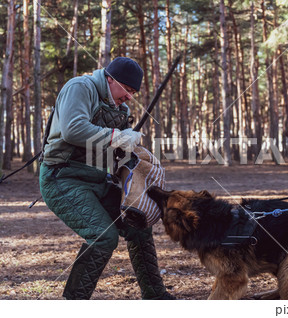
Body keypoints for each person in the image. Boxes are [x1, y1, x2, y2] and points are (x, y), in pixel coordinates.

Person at [39, 57, 174, 300]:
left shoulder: (122, 110)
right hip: (62, 178)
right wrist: (116, 136)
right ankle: (73, 303)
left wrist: (137, 160)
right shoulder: (79, 88)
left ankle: (156, 297)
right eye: (128, 90)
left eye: (134, 92)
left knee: (138, 225)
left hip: (99, 180)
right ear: (110, 79)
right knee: (103, 237)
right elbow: (73, 129)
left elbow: (115, 152)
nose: (130, 97)